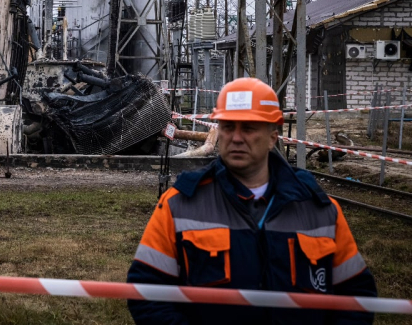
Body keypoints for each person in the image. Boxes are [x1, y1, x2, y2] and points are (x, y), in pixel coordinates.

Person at [127, 77, 377, 325]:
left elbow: (356, 297)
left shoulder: (318, 210)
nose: (236, 137)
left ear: (272, 137)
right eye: (227, 127)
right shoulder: (180, 205)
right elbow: (146, 293)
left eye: (248, 128)